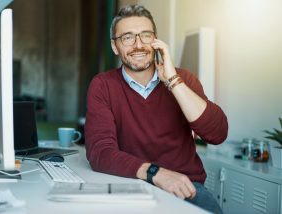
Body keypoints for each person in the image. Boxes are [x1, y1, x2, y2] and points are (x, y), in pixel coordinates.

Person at [85, 4, 228, 214]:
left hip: (185, 187)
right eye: (127, 37)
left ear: (157, 41)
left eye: (145, 36)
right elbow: (100, 152)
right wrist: (156, 173)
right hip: (130, 184)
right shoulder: (103, 85)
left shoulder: (184, 79)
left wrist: (172, 81)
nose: (138, 45)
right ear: (115, 47)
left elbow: (218, 134)